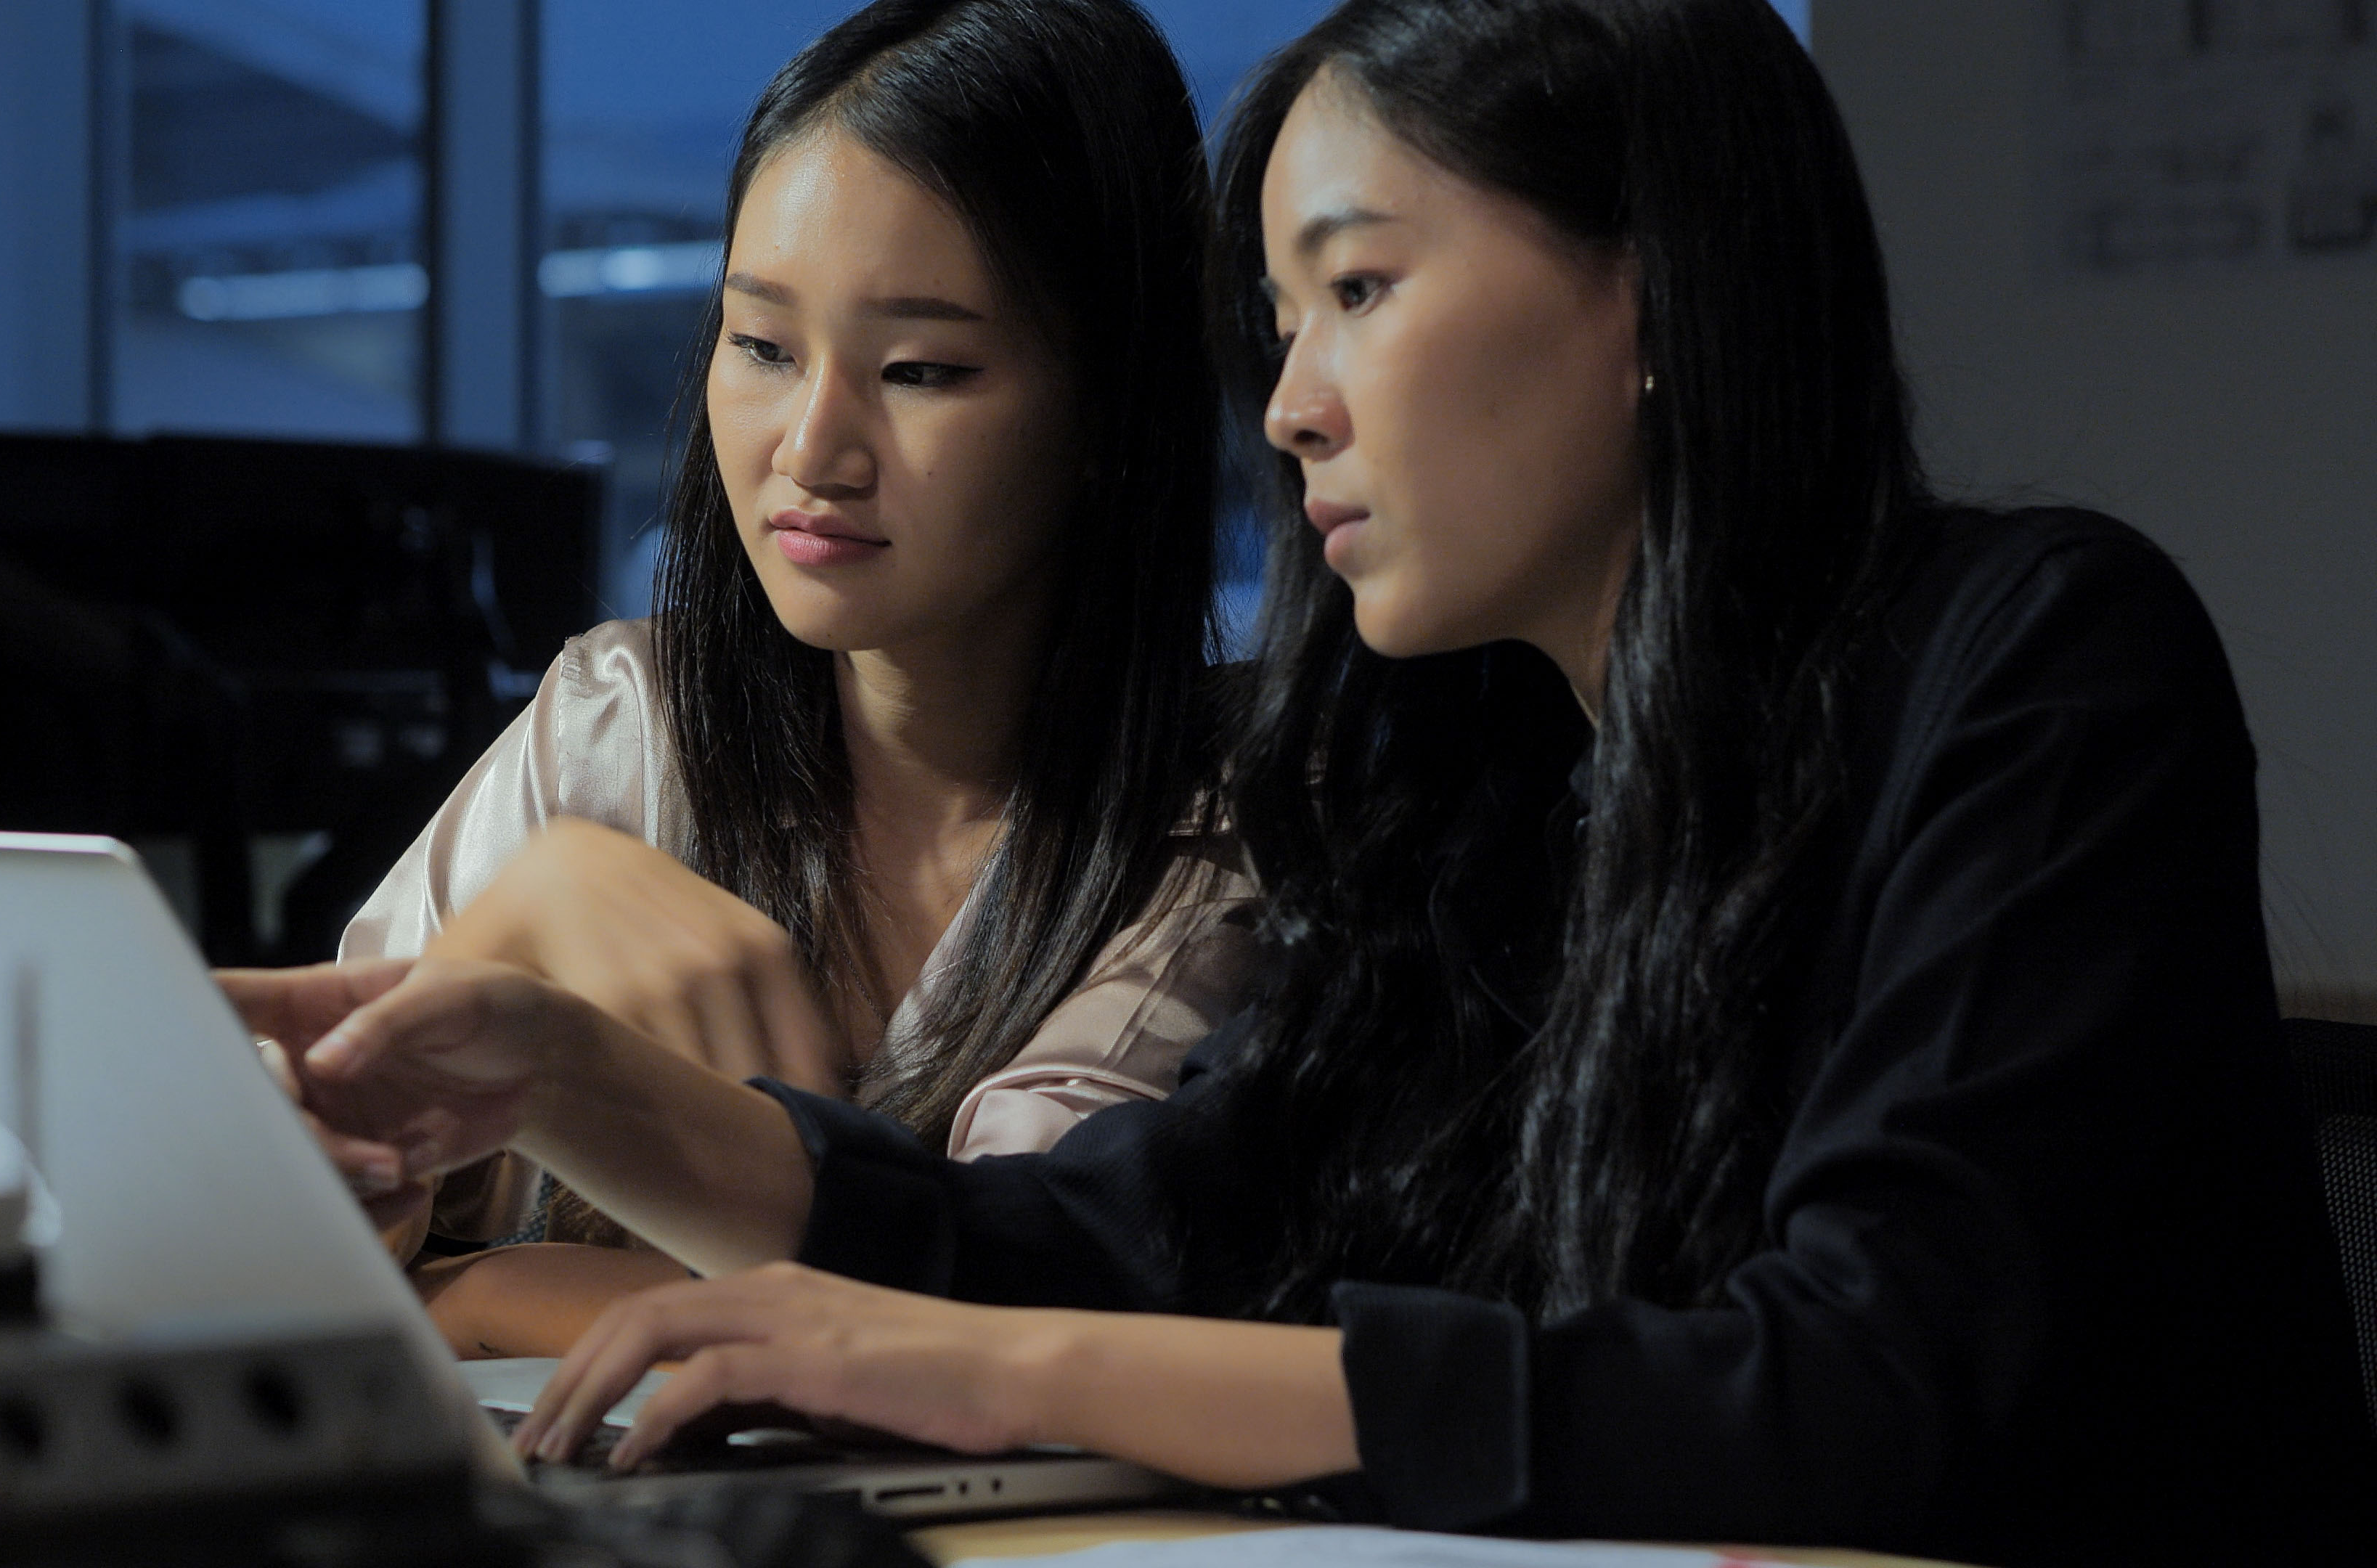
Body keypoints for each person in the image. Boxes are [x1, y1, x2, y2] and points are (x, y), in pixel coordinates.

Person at [234, 0, 2376, 1561]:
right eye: (1277, 324)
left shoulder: (2037, 660)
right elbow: (1136, 1237)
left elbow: (1869, 1393)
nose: (1291, 410)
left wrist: (997, 1377)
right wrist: (558, 1076)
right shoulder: (1498, 783)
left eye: (1354, 291)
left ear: (1654, 291)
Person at [254, 0, 1260, 1358]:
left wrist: (485, 1293)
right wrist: (516, 935)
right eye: (763, 346)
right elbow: (284, 1239)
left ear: (1111, 408)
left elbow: (1019, 1325)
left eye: (922, 369)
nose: (813, 447)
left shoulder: (1227, 832)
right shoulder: (622, 732)